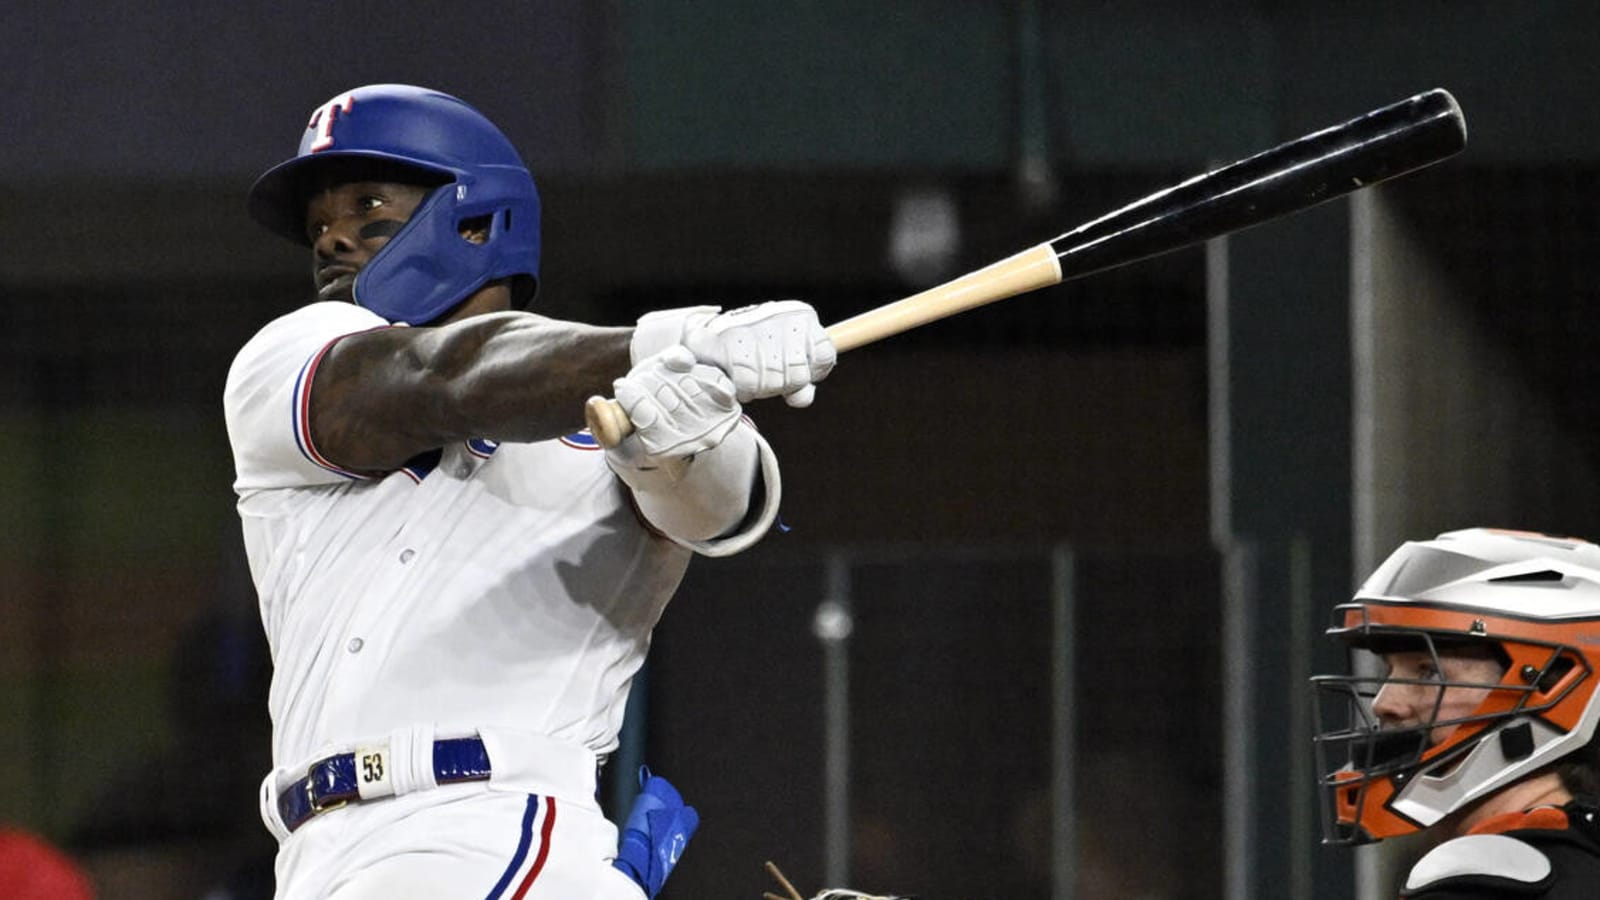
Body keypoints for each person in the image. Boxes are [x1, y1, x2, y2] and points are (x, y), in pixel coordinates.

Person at [223, 84, 835, 899]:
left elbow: (729, 512)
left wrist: (695, 416)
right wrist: (661, 343)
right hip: (316, 851)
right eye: (317, 226)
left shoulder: (632, 411)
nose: (333, 238)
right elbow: (442, 375)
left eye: (365, 204)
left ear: (476, 221)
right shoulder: (291, 360)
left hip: (492, 826)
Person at [1312, 527, 1600, 898]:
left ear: (1552, 685)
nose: (1385, 703)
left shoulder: (1484, 887)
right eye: (1389, 671)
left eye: (1429, 671)